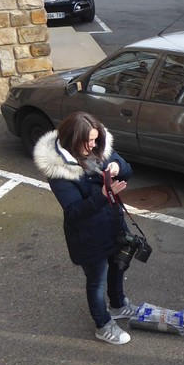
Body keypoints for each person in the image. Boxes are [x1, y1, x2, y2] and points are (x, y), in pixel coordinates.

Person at [35, 112, 136, 346]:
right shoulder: (59, 171)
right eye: (87, 141)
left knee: (118, 267)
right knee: (97, 280)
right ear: (72, 138)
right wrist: (102, 196)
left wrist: (116, 166)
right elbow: (73, 212)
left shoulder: (99, 149)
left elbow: (127, 169)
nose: (92, 146)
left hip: (112, 225)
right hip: (87, 235)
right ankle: (103, 325)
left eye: (95, 140)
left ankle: (119, 305)